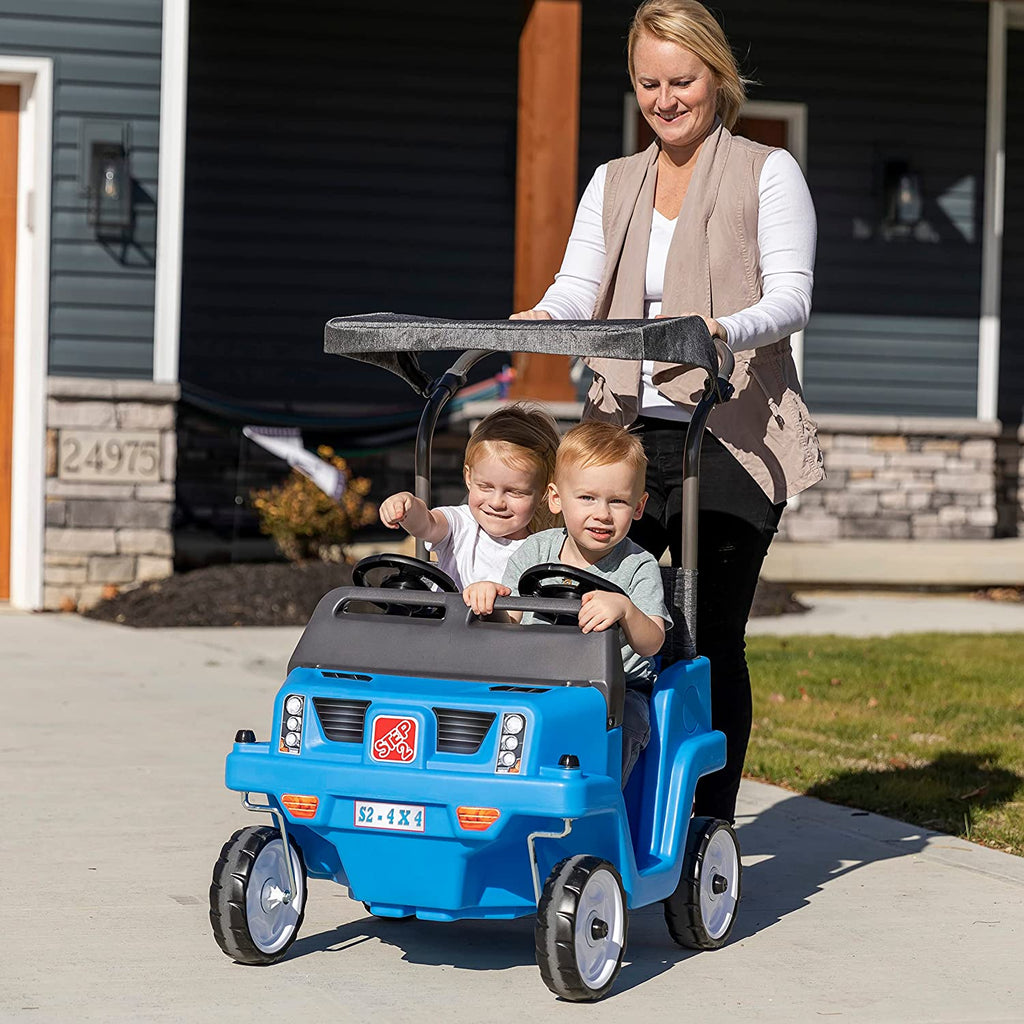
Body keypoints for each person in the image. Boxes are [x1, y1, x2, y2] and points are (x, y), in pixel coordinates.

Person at [511, 0, 824, 821]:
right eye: (648, 82)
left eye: (681, 80)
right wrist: (546, 317)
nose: (665, 98)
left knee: (705, 635)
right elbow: (579, 288)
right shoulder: (614, 182)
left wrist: (722, 329)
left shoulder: (766, 171)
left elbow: (791, 296)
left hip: (728, 432)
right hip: (623, 437)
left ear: (717, 77)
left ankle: (703, 826)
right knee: (592, 619)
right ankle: (608, 801)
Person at [463, 422, 670, 785]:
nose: (602, 513)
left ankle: (598, 808)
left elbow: (652, 641)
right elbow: (510, 621)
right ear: (556, 499)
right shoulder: (536, 550)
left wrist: (625, 610)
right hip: (537, 680)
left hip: (615, 690)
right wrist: (489, 600)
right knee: (484, 710)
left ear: (638, 507)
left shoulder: (639, 565)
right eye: (587, 498)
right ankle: (490, 799)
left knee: (627, 724)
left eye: (617, 501)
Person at [379, 403, 560, 591]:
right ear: (469, 478)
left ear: (544, 493)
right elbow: (427, 523)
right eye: (486, 487)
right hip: (444, 619)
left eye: (515, 492)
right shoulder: (462, 525)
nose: (497, 503)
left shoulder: (541, 551)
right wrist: (406, 506)